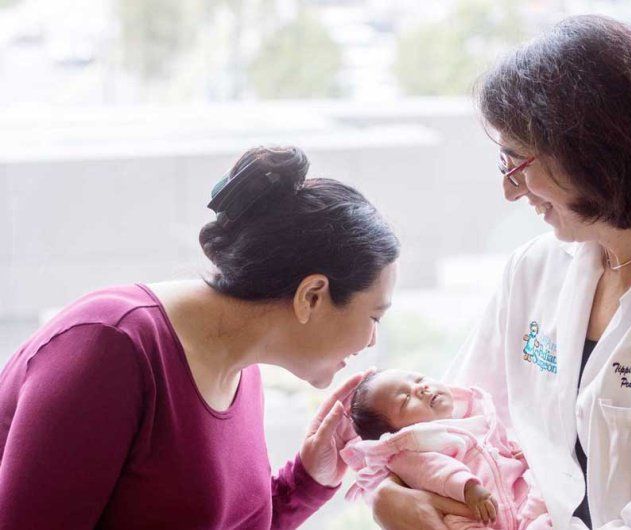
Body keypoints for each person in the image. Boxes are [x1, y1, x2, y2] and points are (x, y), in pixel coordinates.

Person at [371, 15, 631, 530]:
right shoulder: (535, 268)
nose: (509, 190)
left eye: (516, 162)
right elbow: (457, 423)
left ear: (595, 157)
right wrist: (387, 495)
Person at [0, 145, 400, 529]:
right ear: (311, 295)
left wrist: (310, 480)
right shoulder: (109, 346)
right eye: (374, 316)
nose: (370, 342)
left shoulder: (240, 368)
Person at [341, 369, 552, 529]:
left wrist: (519, 452)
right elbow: (435, 470)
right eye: (405, 399)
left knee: (545, 495)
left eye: (419, 379)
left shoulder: (472, 418)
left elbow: (498, 444)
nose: (420, 389)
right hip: (475, 514)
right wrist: (467, 487)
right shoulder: (413, 449)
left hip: (517, 499)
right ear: (396, 433)